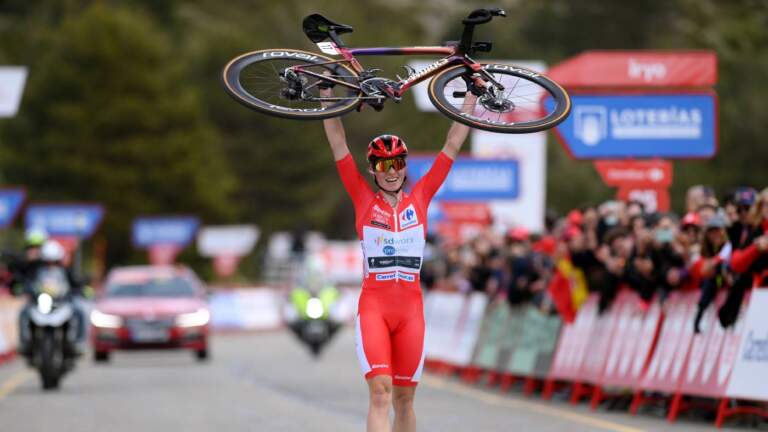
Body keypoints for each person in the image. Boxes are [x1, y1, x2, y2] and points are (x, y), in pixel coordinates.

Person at [321, 85, 476, 432]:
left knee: (404, 399)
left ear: (405, 166)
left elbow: (452, 143)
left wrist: (471, 98)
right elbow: (338, 142)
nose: (391, 170)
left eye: (398, 163)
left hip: (411, 311)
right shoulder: (362, 198)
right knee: (380, 393)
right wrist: (327, 94)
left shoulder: (421, 196)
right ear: (373, 168)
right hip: (374, 307)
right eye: (383, 163)